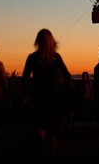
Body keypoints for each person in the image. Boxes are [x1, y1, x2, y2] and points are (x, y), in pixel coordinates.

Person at [22, 29, 71, 157]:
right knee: (53, 129)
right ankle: (51, 153)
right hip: (54, 96)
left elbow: (25, 78)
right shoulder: (56, 58)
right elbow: (67, 75)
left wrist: (25, 94)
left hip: (38, 96)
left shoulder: (32, 58)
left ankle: (42, 150)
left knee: (40, 126)